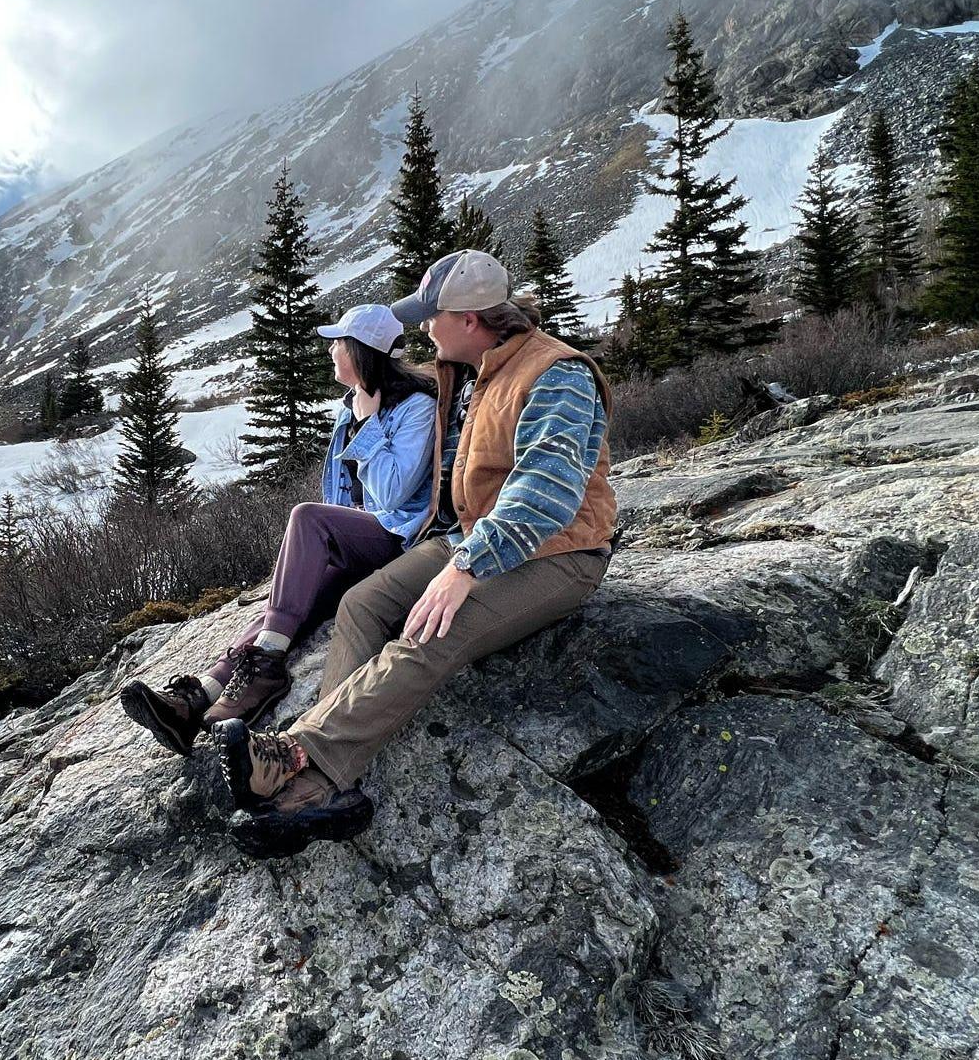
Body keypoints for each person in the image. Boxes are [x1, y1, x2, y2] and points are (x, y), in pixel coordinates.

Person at [210, 247, 616, 859]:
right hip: (469, 537)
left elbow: (546, 490)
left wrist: (465, 568)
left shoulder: (556, 373)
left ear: (470, 320)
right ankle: (319, 785)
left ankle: (297, 757)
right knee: (361, 604)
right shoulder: (474, 370)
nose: (421, 329)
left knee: (430, 631)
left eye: (431, 316)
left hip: (559, 553)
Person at [118, 302, 447, 753]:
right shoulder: (349, 406)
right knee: (285, 607)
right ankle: (197, 701)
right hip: (361, 544)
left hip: (399, 539)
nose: (331, 350)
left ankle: (267, 665)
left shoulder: (415, 408)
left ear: (361, 351)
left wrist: (369, 424)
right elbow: (342, 492)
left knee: (305, 517)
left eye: (339, 343)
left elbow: (390, 496)